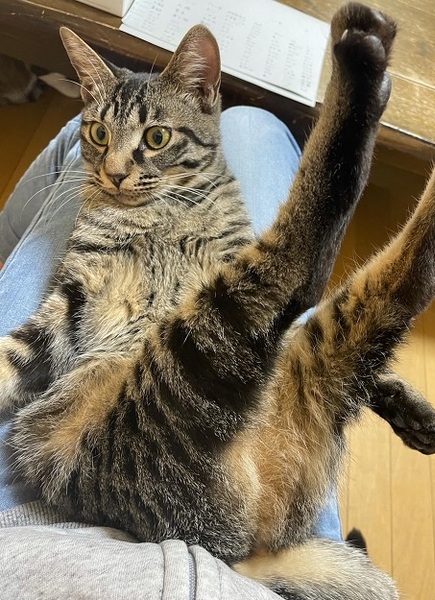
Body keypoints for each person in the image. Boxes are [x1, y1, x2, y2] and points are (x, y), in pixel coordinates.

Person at [0, 106, 342, 598]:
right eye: (103, 136)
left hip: (45, 508)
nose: (115, 167)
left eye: (152, 138)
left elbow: (52, 335)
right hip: (234, 517)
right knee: (255, 124)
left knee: (72, 142)